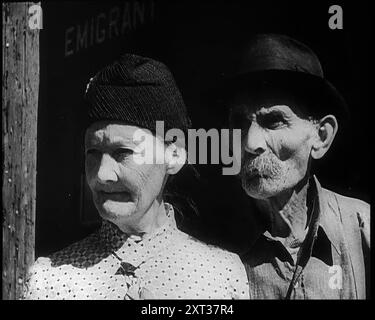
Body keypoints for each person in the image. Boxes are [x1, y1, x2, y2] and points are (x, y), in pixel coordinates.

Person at [23, 54, 249, 300]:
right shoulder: (49, 280)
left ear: (174, 155)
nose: (101, 175)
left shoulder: (221, 275)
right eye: (93, 153)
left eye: (123, 152)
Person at [221, 34, 370, 299]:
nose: (250, 142)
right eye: (240, 123)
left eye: (274, 121)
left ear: (321, 137)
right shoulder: (214, 246)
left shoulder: (361, 227)